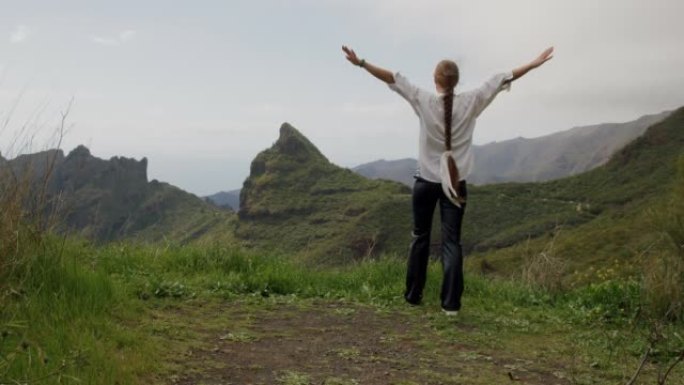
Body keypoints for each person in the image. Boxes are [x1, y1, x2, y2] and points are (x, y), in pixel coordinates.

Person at [342, 45, 554, 315]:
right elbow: (504, 77)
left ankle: (413, 295)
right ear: (456, 81)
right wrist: (534, 63)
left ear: (435, 80)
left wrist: (360, 62)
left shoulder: (422, 99)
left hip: (425, 183)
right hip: (455, 184)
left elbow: (392, 77)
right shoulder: (473, 100)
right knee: (452, 242)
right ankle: (451, 304)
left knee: (420, 237)